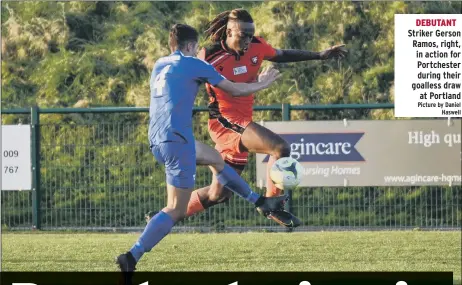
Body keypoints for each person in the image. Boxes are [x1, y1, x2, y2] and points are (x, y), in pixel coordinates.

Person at [115, 23, 286, 275]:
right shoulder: (194, 63)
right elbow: (234, 89)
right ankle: (131, 256)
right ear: (190, 46)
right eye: (195, 48)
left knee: (216, 160)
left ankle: (259, 201)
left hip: (158, 138)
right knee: (175, 209)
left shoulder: (160, 64)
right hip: (177, 141)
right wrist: (262, 84)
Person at [172, 8, 348, 228]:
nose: (247, 39)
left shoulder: (257, 46)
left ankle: (167, 215)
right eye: (242, 34)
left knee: (219, 194)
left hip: (241, 122)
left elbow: (282, 55)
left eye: (250, 34)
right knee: (279, 147)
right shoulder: (209, 55)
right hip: (224, 122)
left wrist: (319, 55)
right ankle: (273, 205)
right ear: (228, 31)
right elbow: (189, 79)